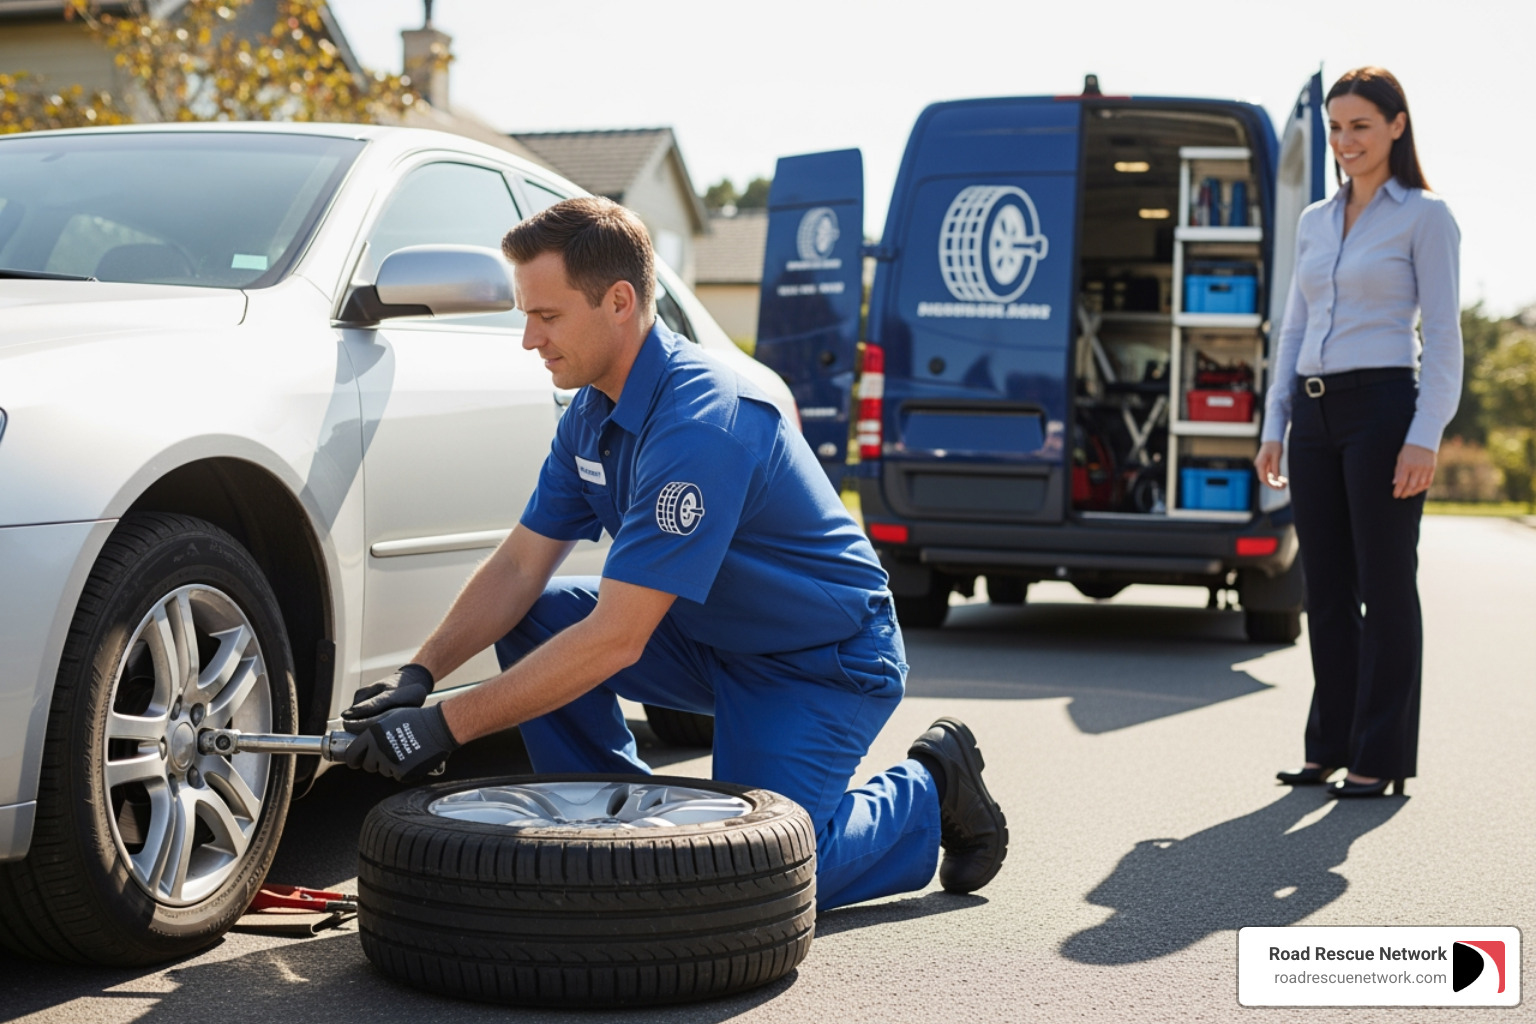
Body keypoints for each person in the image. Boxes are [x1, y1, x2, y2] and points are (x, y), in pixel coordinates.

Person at [338, 196, 1008, 907]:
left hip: (818, 659)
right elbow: (517, 567)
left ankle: (930, 791)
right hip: (705, 636)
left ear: (619, 302)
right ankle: (607, 826)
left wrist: (441, 727)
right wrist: (421, 673)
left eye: (548, 315)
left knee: (759, 872)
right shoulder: (592, 414)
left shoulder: (702, 420)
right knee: (544, 614)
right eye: (526, 315)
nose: (529, 339)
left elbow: (618, 640)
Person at [1255, 67, 1461, 799]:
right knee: (1327, 588)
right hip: (1312, 413)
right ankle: (1327, 746)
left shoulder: (1424, 217)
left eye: (1361, 127)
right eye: (1337, 128)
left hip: (1383, 410)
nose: (1346, 141)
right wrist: (1275, 422)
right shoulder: (1315, 219)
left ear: (1396, 126)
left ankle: (1381, 755)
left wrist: (1425, 434)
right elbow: (1294, 328)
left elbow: (1442, 336)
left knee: (1384, 584)